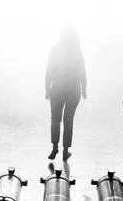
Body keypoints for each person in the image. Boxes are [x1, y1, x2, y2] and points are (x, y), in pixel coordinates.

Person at [45, 25, 87, 161]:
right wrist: (84, 89)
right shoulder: (77, 51)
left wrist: (47, 88)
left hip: (57, 89)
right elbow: (82, 72)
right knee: (69, 121)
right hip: (74, 90)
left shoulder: (55, 49)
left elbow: (49, 69)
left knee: (55, 119)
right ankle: (65, 151)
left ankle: (54, 148)